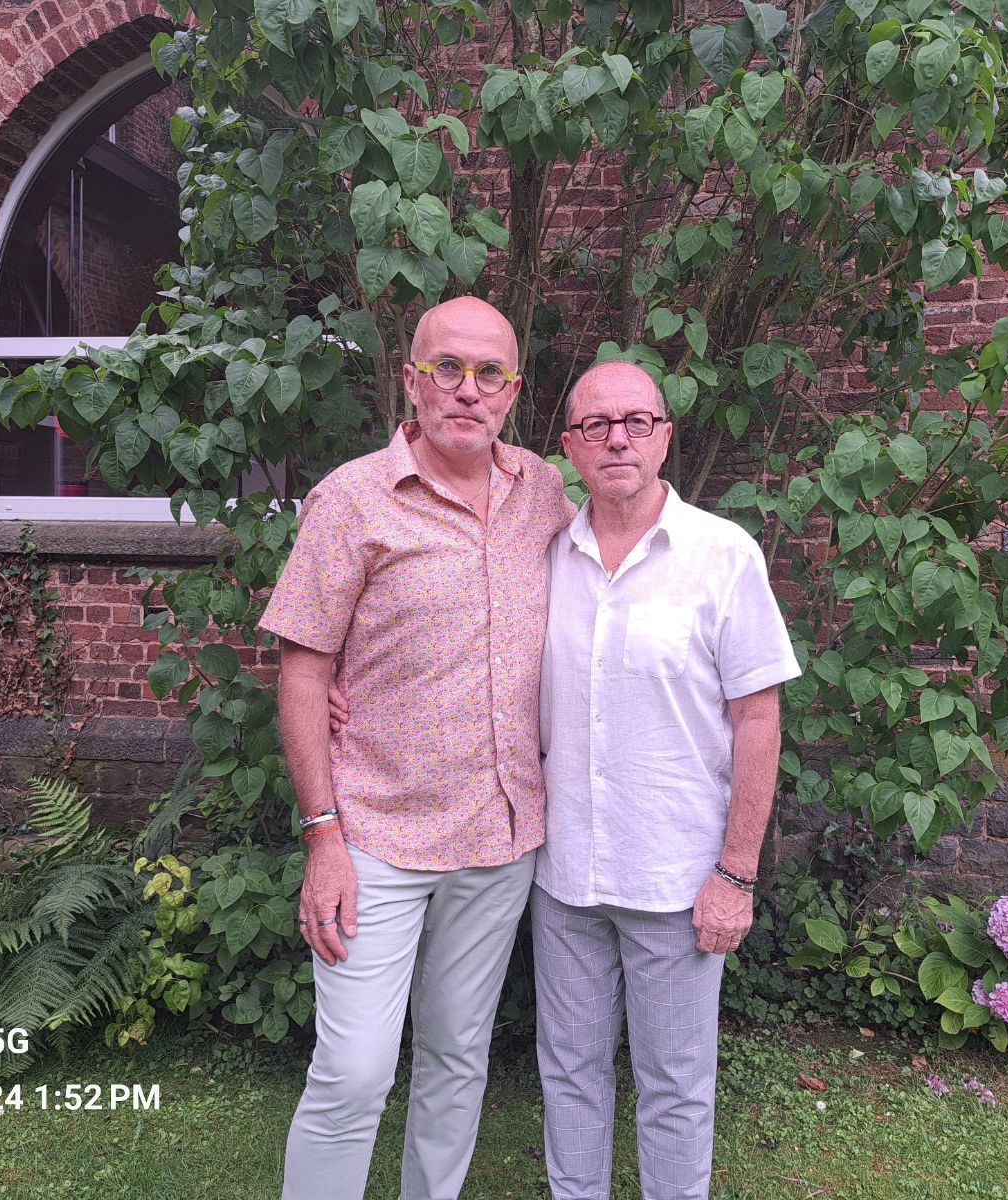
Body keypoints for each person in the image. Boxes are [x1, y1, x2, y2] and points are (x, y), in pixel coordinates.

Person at [257, 296, 573, 1200]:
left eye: (489, 374)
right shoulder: (352, 499)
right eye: (448, 369)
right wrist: (322, 838)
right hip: (375, 838)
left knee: (456, 1057)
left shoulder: (544, 493)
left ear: (513, 391)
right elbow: (304, 672)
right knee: (354, 1070)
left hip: (500, 836)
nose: (467, 390)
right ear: (412, 379)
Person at [532, 359, 801, 1200]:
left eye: (636, 422)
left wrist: (736, 874)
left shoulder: (723, 555)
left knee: (676, 1088)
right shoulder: (544, 555)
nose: (618, 438)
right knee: (569, 1075)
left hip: (679, 878)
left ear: (666, 436)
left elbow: (759, 720)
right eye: (596, 425)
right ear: (570, 446)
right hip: (564, 874)